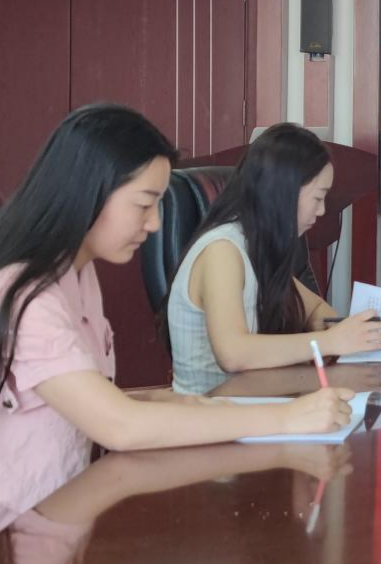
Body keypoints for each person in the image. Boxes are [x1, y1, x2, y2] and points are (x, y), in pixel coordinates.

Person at [0, 104, 354, 522]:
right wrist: (287, 418)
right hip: (20, 526)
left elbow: (76, 399)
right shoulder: (31, 297)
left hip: (68, 509)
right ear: (88, 192)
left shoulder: (78, 275)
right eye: (144, 204)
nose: (154, 224)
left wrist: (177, 401)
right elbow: (119, 426)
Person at [166, 123, 381, 394]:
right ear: (284, 192)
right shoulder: (222, 250)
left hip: (254, 398)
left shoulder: (256, 247)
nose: (321, 211)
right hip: (209, 409)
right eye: (318, 197)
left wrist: (338, 329)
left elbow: (314, 308)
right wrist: (329, 341)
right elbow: (233, 353)